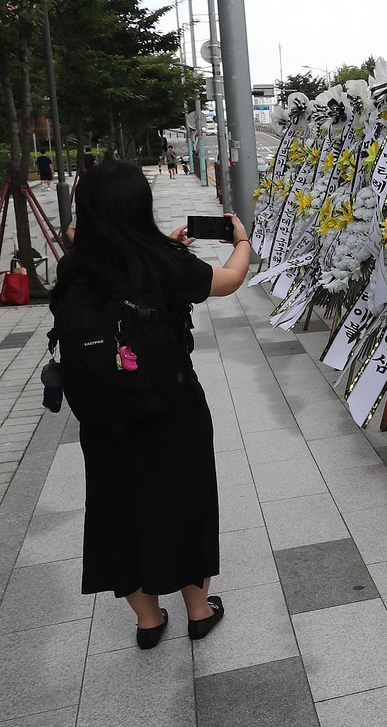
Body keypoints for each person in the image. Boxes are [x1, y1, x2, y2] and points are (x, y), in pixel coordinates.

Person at [49, 160, 251, 648]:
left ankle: (148, 621)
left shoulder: (74, 263)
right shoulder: (162, 261)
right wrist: (241, 242)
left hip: (102, 417)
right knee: (184, 498)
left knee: (116, 508)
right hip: (171, 407)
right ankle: (198, 611)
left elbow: (98, 252)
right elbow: (228, 280)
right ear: (141, 206)